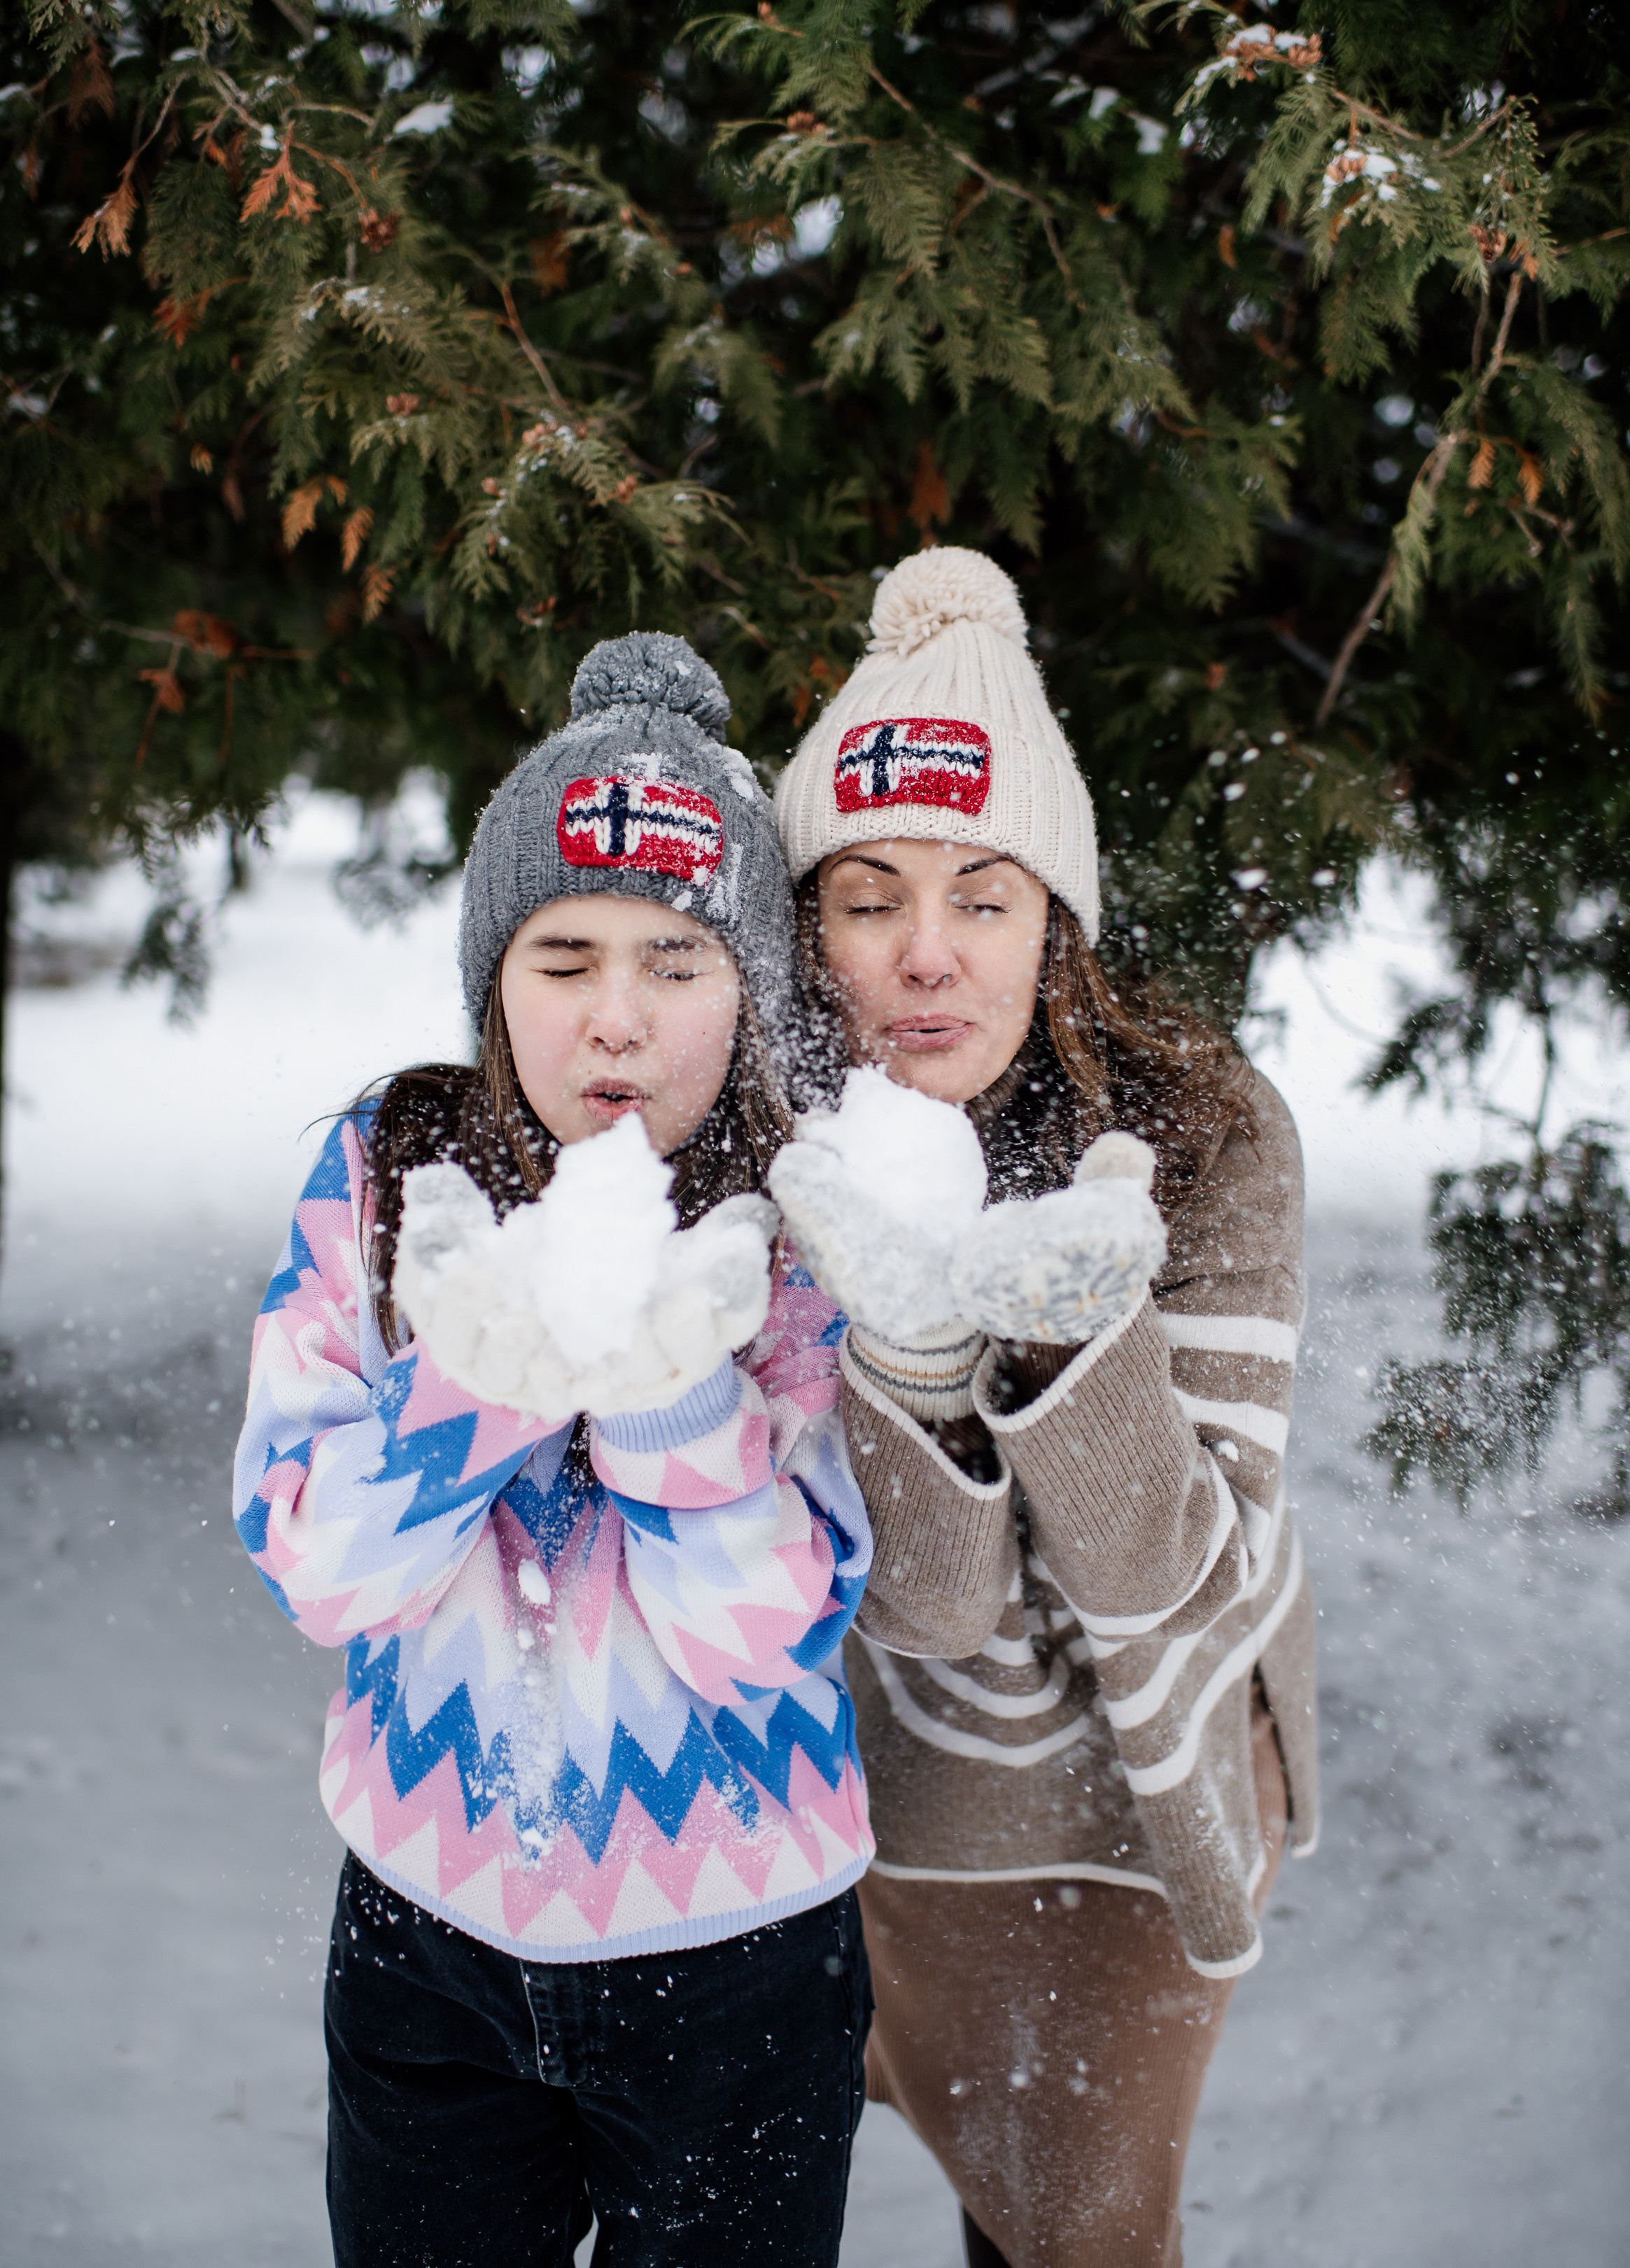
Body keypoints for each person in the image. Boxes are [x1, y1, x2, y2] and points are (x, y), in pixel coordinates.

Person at [232, 633, 874, 2268]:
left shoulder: (803, 1220)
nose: (617, 1019)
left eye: (677, 958)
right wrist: (496, 1376)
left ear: (753, 985)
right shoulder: (390, 1179)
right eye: (562, 954)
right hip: (424, 1928)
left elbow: (766, 1634)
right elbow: (317, 1563)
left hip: (736, 1951)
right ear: (490, 981)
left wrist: (662, 1388)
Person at [766, 548, 1319, 2268]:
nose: (927, 957)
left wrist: (1074, 1346)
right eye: (867, 897)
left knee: (1066, 2235)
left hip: (1098, 1796)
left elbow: (1172, 1569)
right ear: (802, 927)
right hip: (806, 1786)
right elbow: (895, 1593)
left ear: (1055, 920)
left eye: (985, 897)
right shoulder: (753, 1127)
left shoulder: (1200, 1129)